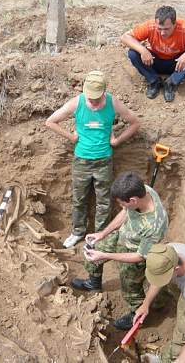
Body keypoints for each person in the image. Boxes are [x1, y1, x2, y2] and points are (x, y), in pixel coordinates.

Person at [46, 71, 140, 248]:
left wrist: (117, 140)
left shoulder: (112, 103)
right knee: (79, 199)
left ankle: (99, 236)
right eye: (90, 98)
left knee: (104, 200)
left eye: (96, 98)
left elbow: (135, 122)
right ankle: (77, 232)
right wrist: (71, 137)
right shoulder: (77, 102)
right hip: (82, 160)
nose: (93, 102)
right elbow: (50, 121)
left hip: (104, 160)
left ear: (104, 91)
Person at [71, 171, 168, 330]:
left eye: (123, 203)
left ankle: (137, 315)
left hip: (134, 252)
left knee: (130, 289)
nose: (121, 207)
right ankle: (93, 284)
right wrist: (102, 234)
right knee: (96, 247)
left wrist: (105, 256)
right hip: (124, 235)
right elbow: (125, 213)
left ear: (133, 200)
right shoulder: (143, 190)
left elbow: (140, 256)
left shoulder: (154, 225)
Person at [121, 6, 185, 102]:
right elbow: (125, 37)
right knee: (133, 53)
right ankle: (154, 80)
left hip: (177, 64)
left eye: (167, 29)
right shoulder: (150, 26)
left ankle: (171, 82)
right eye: (159, 29)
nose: (162, 33)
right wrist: (142, 50)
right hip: (154, 61)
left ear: (175, 24)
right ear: (156, 23)